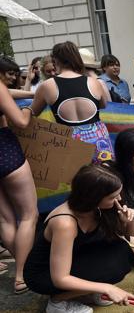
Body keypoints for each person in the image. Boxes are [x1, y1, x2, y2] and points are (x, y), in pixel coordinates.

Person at [24, 165, 134, 313]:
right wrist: (106, 287)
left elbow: (132, 233)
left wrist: (130, 220)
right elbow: (60, 278)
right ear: (94, 197)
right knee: (110, 269)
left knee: (122, 252)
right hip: (43, 273)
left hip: (72, 257)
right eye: (112, 196)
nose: (119, 198)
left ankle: (87, 291)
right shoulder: (65, 223)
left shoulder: (98, 208)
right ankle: (57, 302)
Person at [28, 41, 114, 163]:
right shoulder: (94, 82)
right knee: (104, 176)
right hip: (98, 139)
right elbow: (103, 105)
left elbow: (32, 112)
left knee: (74, 180)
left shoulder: (47, 86)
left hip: (68, 140)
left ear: (56, 61)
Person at [0, 58, 38, 295]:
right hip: (5, 151)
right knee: (28, 215)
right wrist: (30, 107)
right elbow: (22, 122)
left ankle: (21, 269)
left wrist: (34, 91)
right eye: (10, 73)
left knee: (5, 219)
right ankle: (22, 276)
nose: (14, 77)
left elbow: (9, 92)